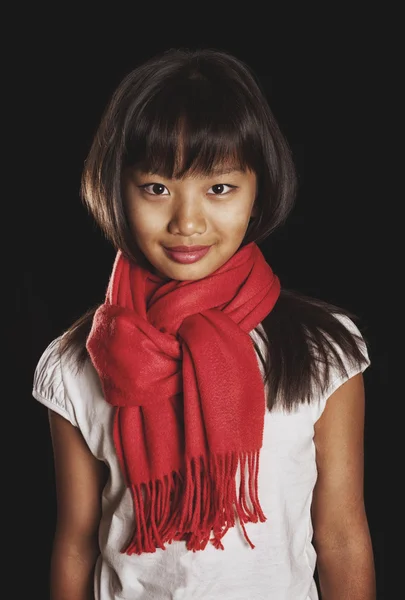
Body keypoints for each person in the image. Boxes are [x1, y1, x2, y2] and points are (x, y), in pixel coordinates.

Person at [32, 47, 376, 600]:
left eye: (219, 188)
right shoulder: (77, 361)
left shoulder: (322, 349)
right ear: (117, 189)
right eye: (156, 188)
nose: (187, 222)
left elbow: (341, 536)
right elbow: (76, 541)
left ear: (257, 189)